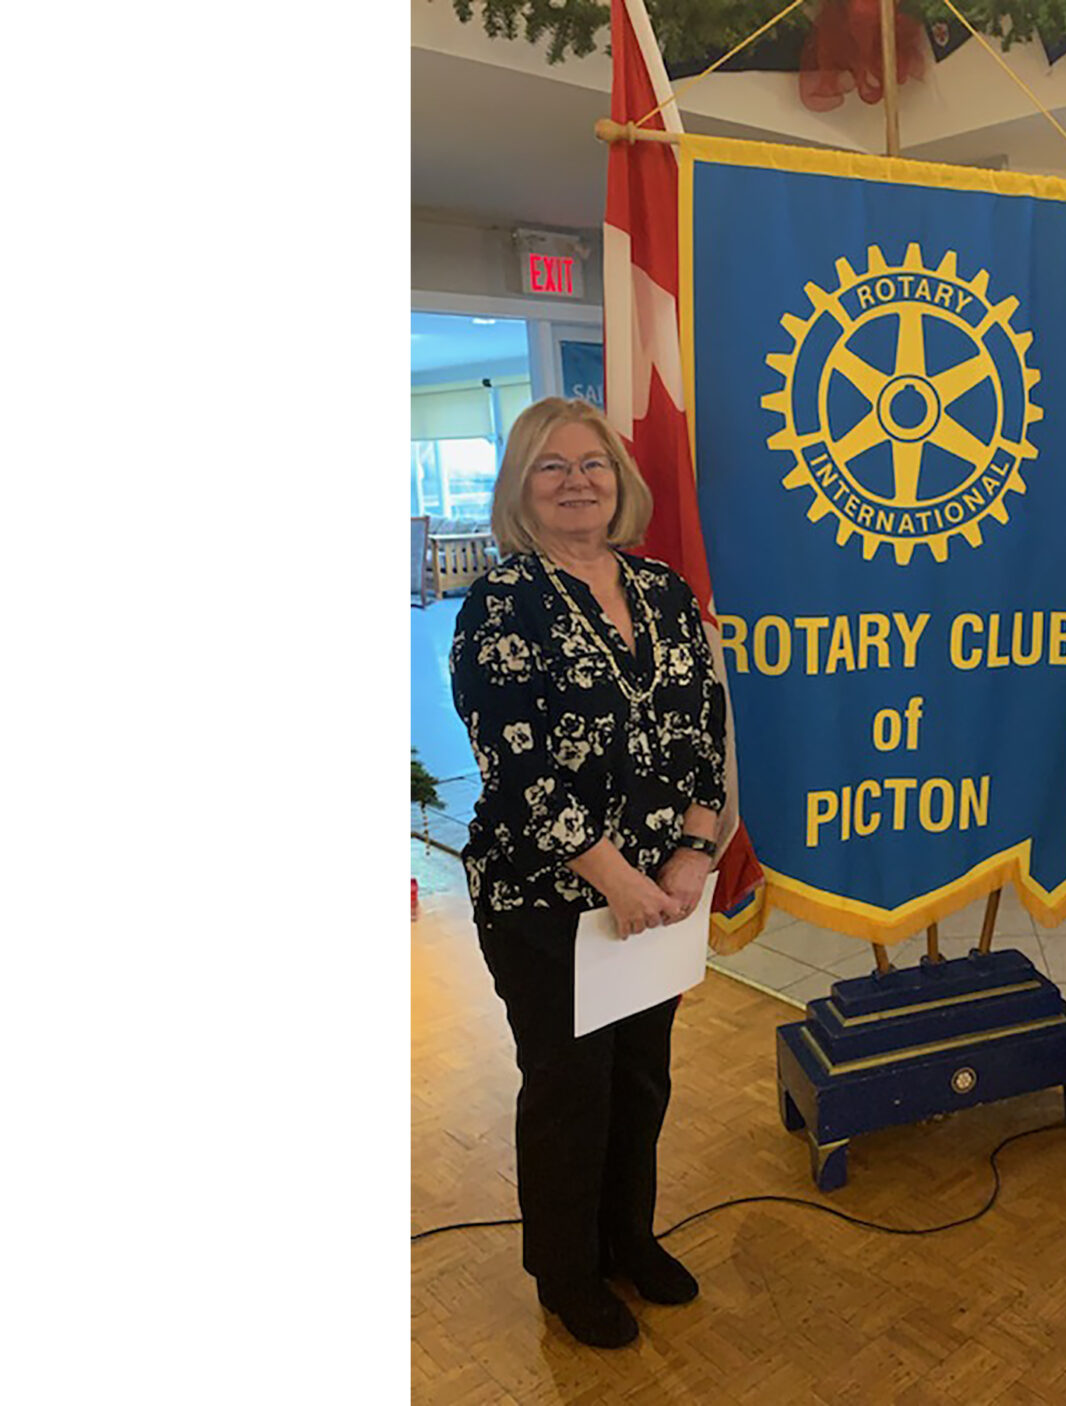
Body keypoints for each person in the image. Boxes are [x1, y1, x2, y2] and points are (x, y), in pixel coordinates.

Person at [449, 397, 728, 1348]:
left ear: (621, 480)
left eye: (594, 464)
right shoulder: (499, 603)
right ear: (521, 491)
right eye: (552, 466)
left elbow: (700, 730)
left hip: (665, 895)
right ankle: (566, 1272)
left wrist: (693, 853)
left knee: (641, 1078)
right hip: (547, 900)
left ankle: (629, 1239)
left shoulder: (662, 590)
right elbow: (516, 762)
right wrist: (616, 876)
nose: (577, 481)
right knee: (571, 1086)